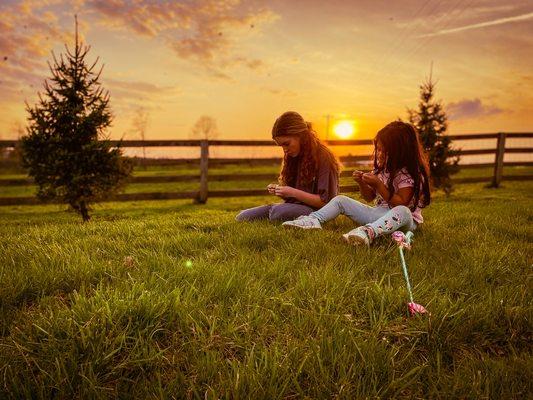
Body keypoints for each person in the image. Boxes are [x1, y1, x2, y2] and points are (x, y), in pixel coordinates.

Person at [282, 121, 431, 246]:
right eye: (378, 149)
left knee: (402, 211)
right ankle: (313, 220)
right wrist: (362, 183)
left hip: (404, 222)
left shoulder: (409, 174)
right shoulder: (383, 170)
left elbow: (402, 203)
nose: (379, 154)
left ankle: (368, 232)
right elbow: (369, 198)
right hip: (378, 214)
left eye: (384, 152)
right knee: (341, 200)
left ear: (402, 152)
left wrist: (379, 184)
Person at [236, 111, 340, 222]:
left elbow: (325, 202)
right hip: (294, 207)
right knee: (242, 216)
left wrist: (292, 192)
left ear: (301, 136)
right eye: (281, 145)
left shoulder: (324, 156)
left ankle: (278, 213)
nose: (285, 149)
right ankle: (276, 212)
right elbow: (293, 197)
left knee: (278, 212)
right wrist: (280, 191)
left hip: (320, 211)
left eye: (287, 143)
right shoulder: (293, 156)